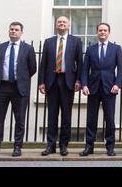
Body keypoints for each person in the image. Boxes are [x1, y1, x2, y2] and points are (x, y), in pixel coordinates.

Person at [0, 22, 37, 157]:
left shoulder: (28, 49)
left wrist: (21, 78)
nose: (13, 31)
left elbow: (32, 68)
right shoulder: (0, 48)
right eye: (11, 29)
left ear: (21, 32)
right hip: (2, 87)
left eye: (16, 30)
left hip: (20, 88)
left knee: (19, 120)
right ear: (9, 31)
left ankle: (17, 147)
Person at [38, 16, 83, 156]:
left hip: (67, 81)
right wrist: (41, 82)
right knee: (52, 115)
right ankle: (50, 145)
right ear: (56, 25)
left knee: (66, 115)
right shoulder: (49, 42)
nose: (61, 24)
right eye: (59, 22)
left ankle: (63, 145)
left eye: (64, 22)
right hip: (52, 80)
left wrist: (79, 81)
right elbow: (43, 63)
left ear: (69, 26)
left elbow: (80, 63)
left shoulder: (76, 41)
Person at [80, 23, 122, 156]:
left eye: (105, 30)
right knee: (91, 119)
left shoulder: (116, 48)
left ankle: (110, 147)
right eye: (100, 30)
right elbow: (84, 69)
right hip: (93, 88)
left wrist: (117, 84)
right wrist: (84, 85)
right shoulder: (90, 49)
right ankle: (89, 146)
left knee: (110, 119)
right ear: (97, 32)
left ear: (109, 32)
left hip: (110, 88)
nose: (102, 32)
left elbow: (121, 69)